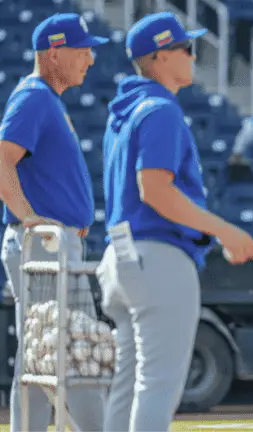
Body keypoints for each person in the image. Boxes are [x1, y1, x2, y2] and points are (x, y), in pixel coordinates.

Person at [97, 12, 253, 431]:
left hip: (120, 256)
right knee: (158, 386)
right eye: (186, 48)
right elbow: (155, 190)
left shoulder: (125, 113)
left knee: (127, 385)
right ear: (160, 57)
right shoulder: (159, 110)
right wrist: (224, 229)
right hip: (158, 258)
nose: (193, 55)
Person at [0, 12, 109, 432]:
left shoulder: (45, 98)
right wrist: (31, 220)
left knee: (41, 355)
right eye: (82, 50)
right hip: (45, 245)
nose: (90, 59)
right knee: (72, 352)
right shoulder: (34, 97)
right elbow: (2, 159)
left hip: (51, 243)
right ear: (53, 52)